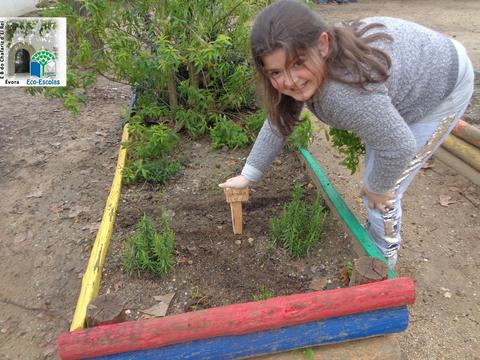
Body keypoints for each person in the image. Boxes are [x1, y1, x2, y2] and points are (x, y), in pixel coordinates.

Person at [218, 0, 474, 269]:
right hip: (412, 64)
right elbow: (278, 121)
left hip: (443, 80)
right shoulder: (319, 67)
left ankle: (382, 261)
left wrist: (377, 188)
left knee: (383, 193)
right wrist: (249, 174)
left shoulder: (342, 95)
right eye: (276, 72)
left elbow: (398, 146)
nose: (290, 80)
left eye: (297, 63)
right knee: (379, 162)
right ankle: (376, 240)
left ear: (323, 44)